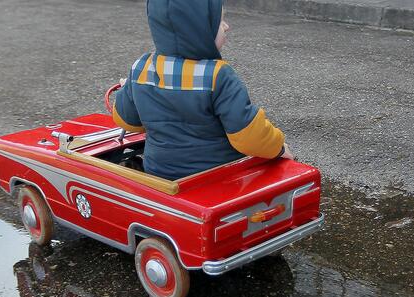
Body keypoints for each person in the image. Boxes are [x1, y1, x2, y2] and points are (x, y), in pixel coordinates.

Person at [112, 0, 294, 180]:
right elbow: (248, 135)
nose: (227, 26)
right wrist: (278, 147)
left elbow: (127, 122)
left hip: (160, 175)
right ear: (198, 30)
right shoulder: (218, 75)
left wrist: (130, 89)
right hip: (215, 177)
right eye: (219, 22)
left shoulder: (141, 68)